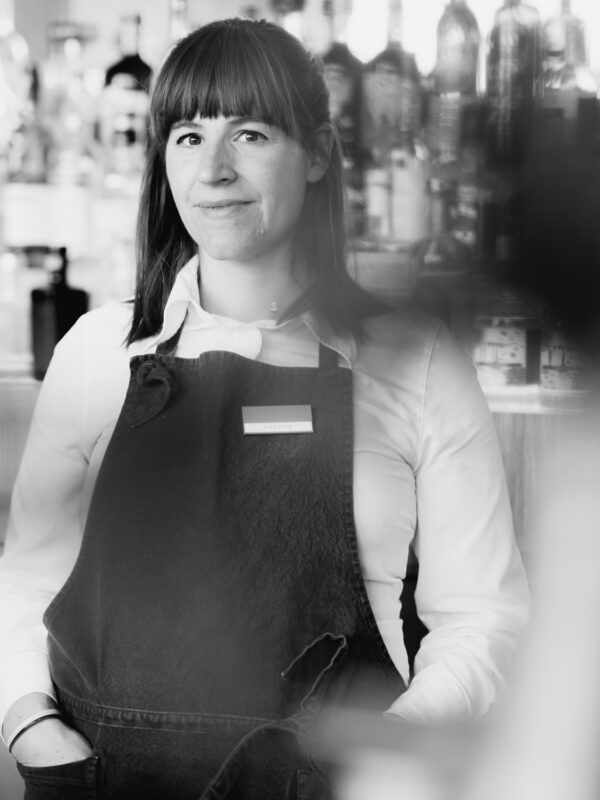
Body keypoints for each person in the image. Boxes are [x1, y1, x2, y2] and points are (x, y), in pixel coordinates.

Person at [0, 17, 529, 800]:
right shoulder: (96, 352)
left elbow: (482, 618)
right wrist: (32, 729)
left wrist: (381, 758)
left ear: (317, 153)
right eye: (188, 137)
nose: (214, 170)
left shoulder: (416, 360)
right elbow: (26, 579)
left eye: (249, 134)